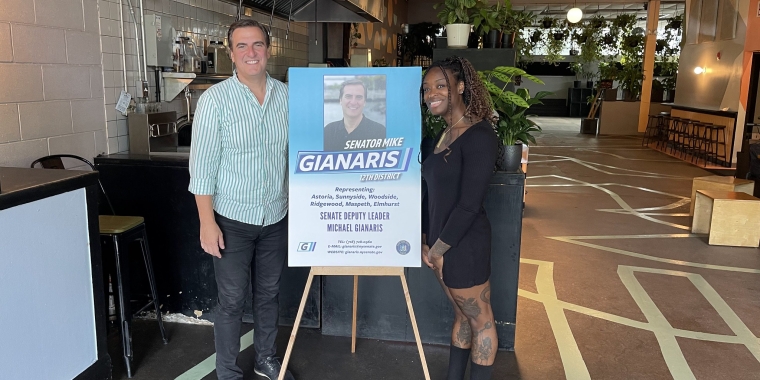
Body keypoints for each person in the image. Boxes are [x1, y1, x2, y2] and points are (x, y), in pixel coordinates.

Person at [188, 19, 295, 380]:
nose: (251, 53)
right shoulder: (215, 101)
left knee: (268, 295)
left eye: (258, 45)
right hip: (231, 219)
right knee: (231, 301)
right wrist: (206, 222)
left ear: (268, 49)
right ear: (231, 54)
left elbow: (301, 154)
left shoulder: (288, 97)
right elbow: (201, 169)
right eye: (242, 47)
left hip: (276, 217)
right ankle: (228, 372)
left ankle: (266, 360)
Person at [420, 56, 499, 380]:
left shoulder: (480, 136)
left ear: (462, 87)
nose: (431, 94)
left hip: (464, 247)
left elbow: (468, 205)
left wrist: (437, 250)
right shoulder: (443, 134)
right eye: (426, 88)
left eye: (441, 86)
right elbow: (431, 195)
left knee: (481, 322)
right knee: (462, 318)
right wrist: (426, 241)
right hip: (440, 247)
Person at [323, 79, 386, 151]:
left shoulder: (380, 132)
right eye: (348, 96)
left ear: (364, 102)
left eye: (358, 97)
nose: (353, 102)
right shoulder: (328, 132)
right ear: (340, 100)